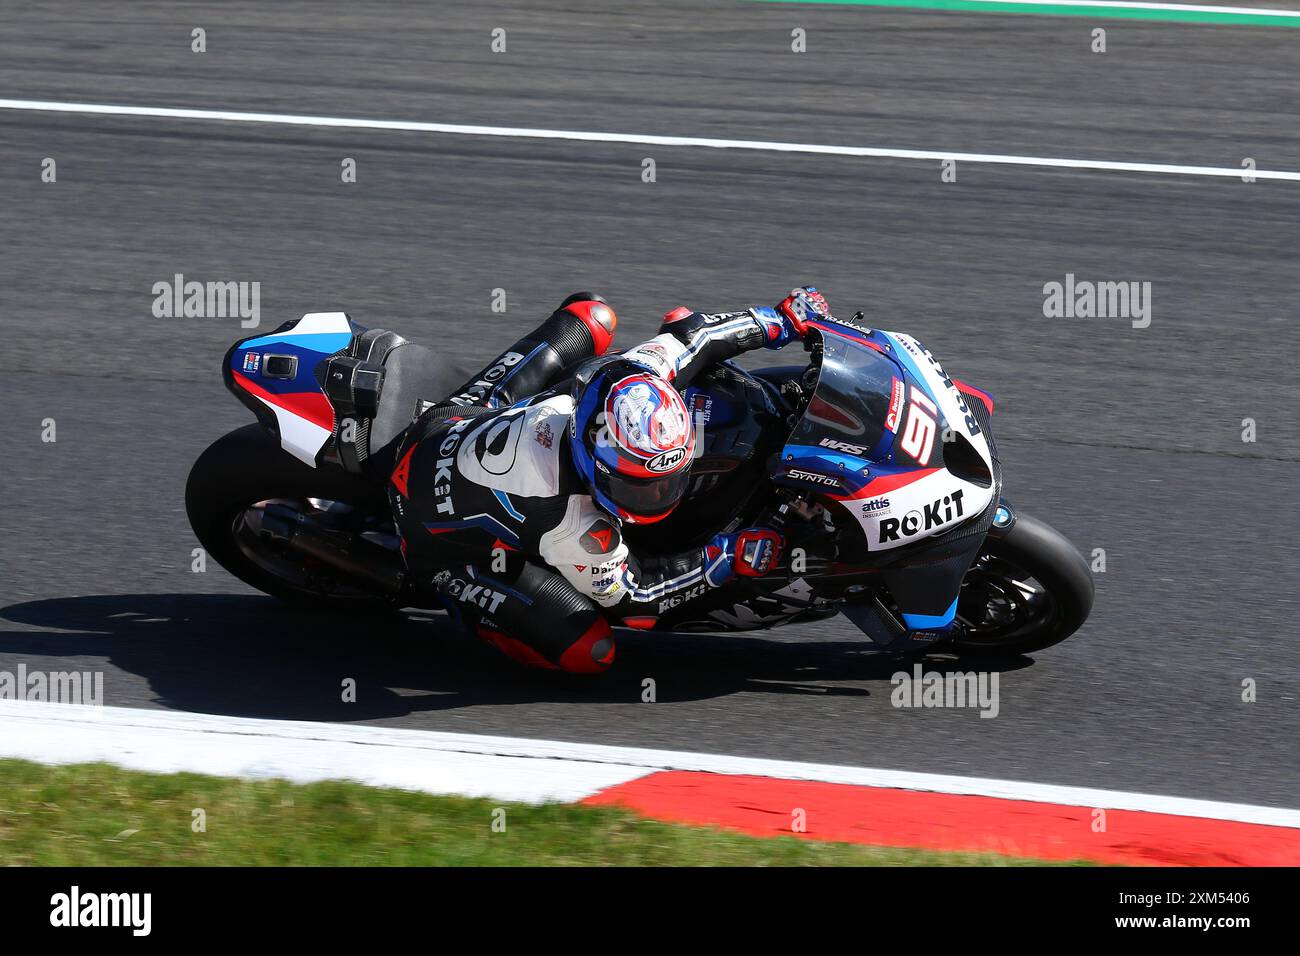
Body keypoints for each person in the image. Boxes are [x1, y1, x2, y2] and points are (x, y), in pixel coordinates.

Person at [388, 287, 833, 672]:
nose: (660, 494)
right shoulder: (573, 524)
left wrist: (782, 320)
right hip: (433, 540)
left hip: (457, 419)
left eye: (665, 480)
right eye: (638, 486)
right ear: (593, 464)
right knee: (590, 650)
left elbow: (696, 336)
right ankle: (469, 610)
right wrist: (726, 556)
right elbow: (639, 596)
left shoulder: (632, 378)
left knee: (592, 315)